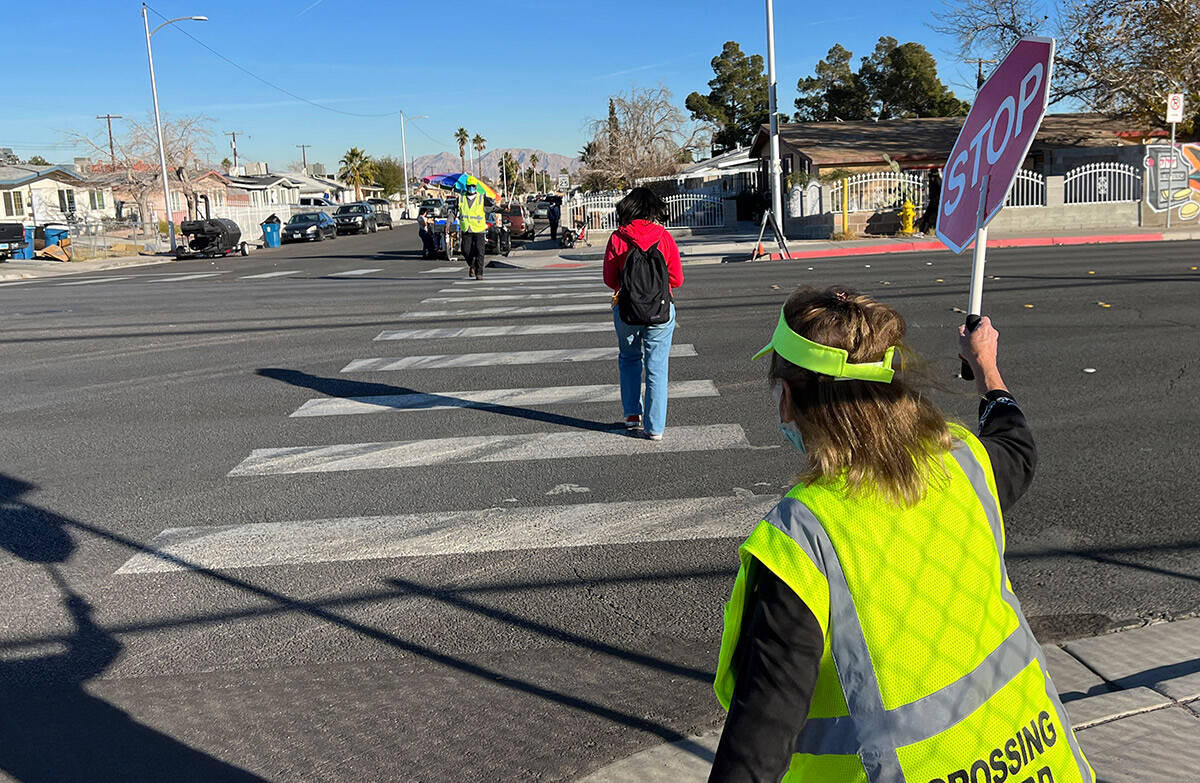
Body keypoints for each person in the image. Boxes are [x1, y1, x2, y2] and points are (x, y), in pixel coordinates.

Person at [708, 287, 1093, 783]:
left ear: (790, 401)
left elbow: (758, 747)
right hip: (1039, 761)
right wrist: (987, 369)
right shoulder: (964, 465)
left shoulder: (806, 538)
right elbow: (1016, 447)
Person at [602, 188, 683, 440]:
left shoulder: (617, 238)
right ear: (650, 209)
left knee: (628, 359)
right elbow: (677, 279)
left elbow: (609, 279)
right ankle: (655, 427)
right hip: (660, 309)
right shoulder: (664, 237)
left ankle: (631, 415)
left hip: (626, 310)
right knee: (657, 367)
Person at [458, 183, 488, 279]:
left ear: (476, 187)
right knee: (465, 250)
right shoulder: (461, 199)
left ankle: (479, 273)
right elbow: (454, 211)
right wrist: (448, 223)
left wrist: (504, 209)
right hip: (467, 229)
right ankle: (473, 265)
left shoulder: (481, 198)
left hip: (479, 229)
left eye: (473, 186)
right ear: (466, 187)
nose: (471, 188)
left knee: (480, 251)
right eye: (469, 186)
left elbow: (492, 208)